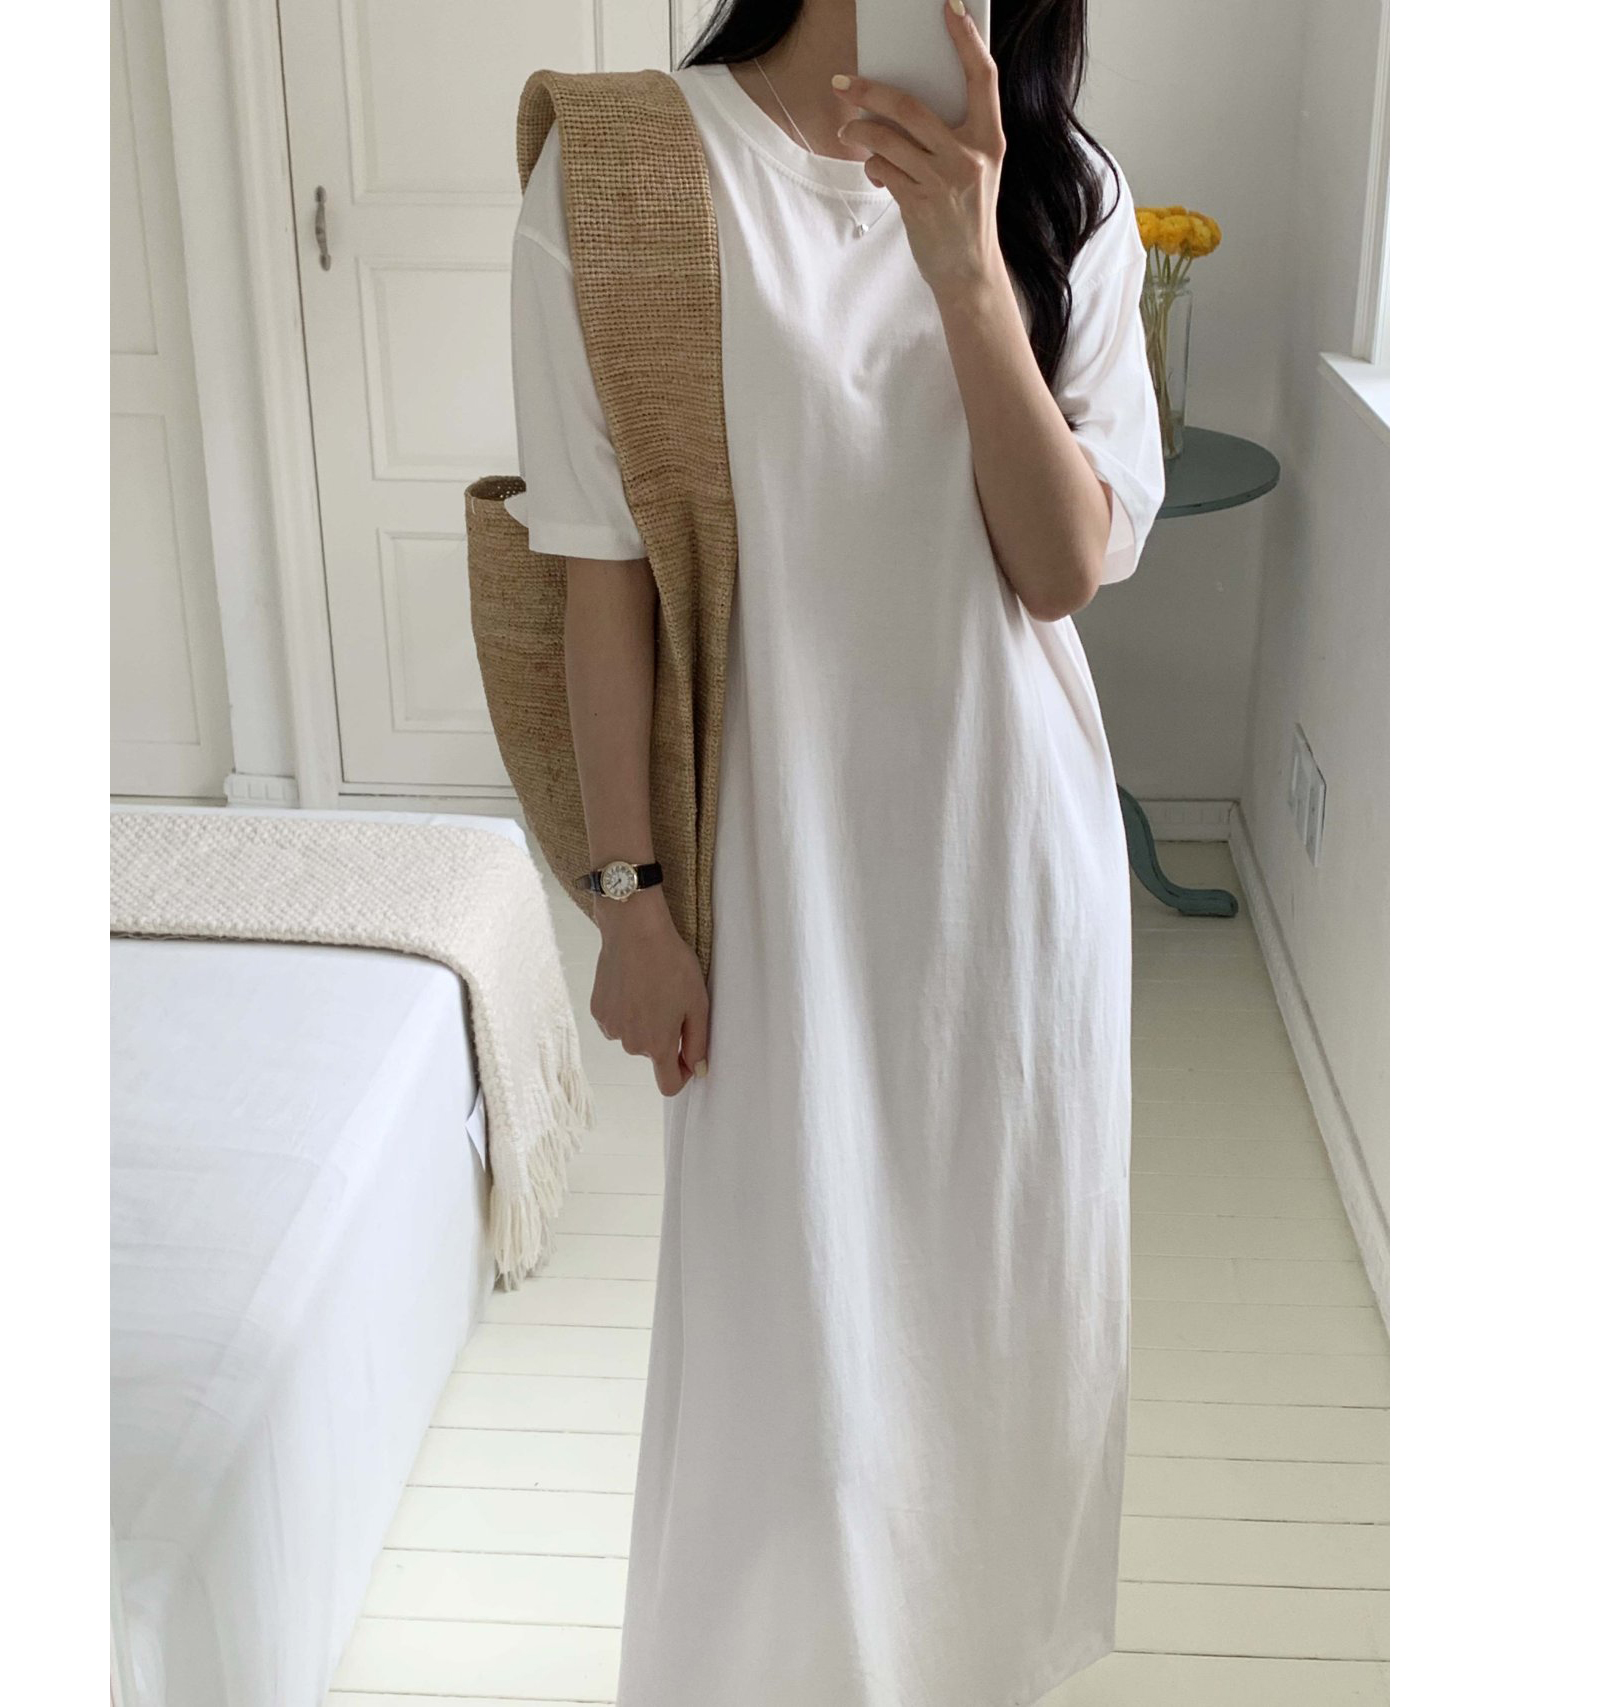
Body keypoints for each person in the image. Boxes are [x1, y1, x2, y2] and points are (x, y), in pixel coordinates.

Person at [507, 2, 1164, 1701]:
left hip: (1008, 880)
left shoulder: (1062, 194)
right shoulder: (621, 174)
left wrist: (965, 265)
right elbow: (598, 579)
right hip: (771, 886)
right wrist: (628, 908)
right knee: (783, 1392)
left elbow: (1058, 569)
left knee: (995, 1365)